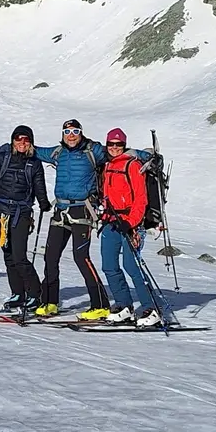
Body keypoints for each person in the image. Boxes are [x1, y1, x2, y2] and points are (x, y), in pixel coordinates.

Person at [37, 119, 111, 320]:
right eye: (67, 131)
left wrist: (142, 155)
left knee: (81, 257)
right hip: (61, 210)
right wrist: (5, 149)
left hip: (82, 211)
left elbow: (116, 151)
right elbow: (32, 150)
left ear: (81, 132)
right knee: (50, 257)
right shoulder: (57, 153)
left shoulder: (92, 150)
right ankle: (50, 302)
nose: (71, 135)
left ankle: (101, 305)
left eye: (75, 131)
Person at [96, 128, 169, 327]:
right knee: (109, 265)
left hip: (131, 224)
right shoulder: (108, 165)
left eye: (118, 145)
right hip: (111, 221)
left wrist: (132, 223)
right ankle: (124, 305)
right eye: (111, 144)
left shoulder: (133, 166)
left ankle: (151, 308)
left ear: (124, 145)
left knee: (131, 266)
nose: (114, 148)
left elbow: (141, 199)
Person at [0, 125, 50, 312]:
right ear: (13, 140)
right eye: (18, 139)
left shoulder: (34, 163)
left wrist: (44, 203)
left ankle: (34, 293)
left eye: (26, 140)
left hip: (21, 212)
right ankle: (18, 293)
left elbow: (39, 185)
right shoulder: (2, 158)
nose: (22, 143)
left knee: (20, 256)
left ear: (31, 142)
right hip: (1, 212)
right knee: (8, 254)